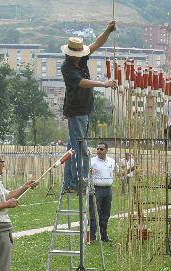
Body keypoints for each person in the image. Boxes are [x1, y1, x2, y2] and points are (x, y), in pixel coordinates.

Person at [61, 21, 118, 193]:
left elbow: (97, 43)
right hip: (76, 110)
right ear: (70, 54)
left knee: (73, 147)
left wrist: (108, 30)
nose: (80, 55)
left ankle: (70, 183)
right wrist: (104, 84)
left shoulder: (81, 58)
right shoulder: (67, 67)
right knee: (81, 148)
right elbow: (82, 83)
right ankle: (80, 181)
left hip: (84, 109)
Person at [89, 142, 116, 242]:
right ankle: (92, 236)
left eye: (101, 149)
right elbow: (86, 174)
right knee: (94, 213)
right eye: (98, 149)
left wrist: (131, 169)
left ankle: (104, 236)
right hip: (96, 190)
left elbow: (118, 173)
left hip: (108, 190)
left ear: (106, 150)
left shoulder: (111, 161)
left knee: (106, 214)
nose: (99, 151)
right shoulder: (91, 161)